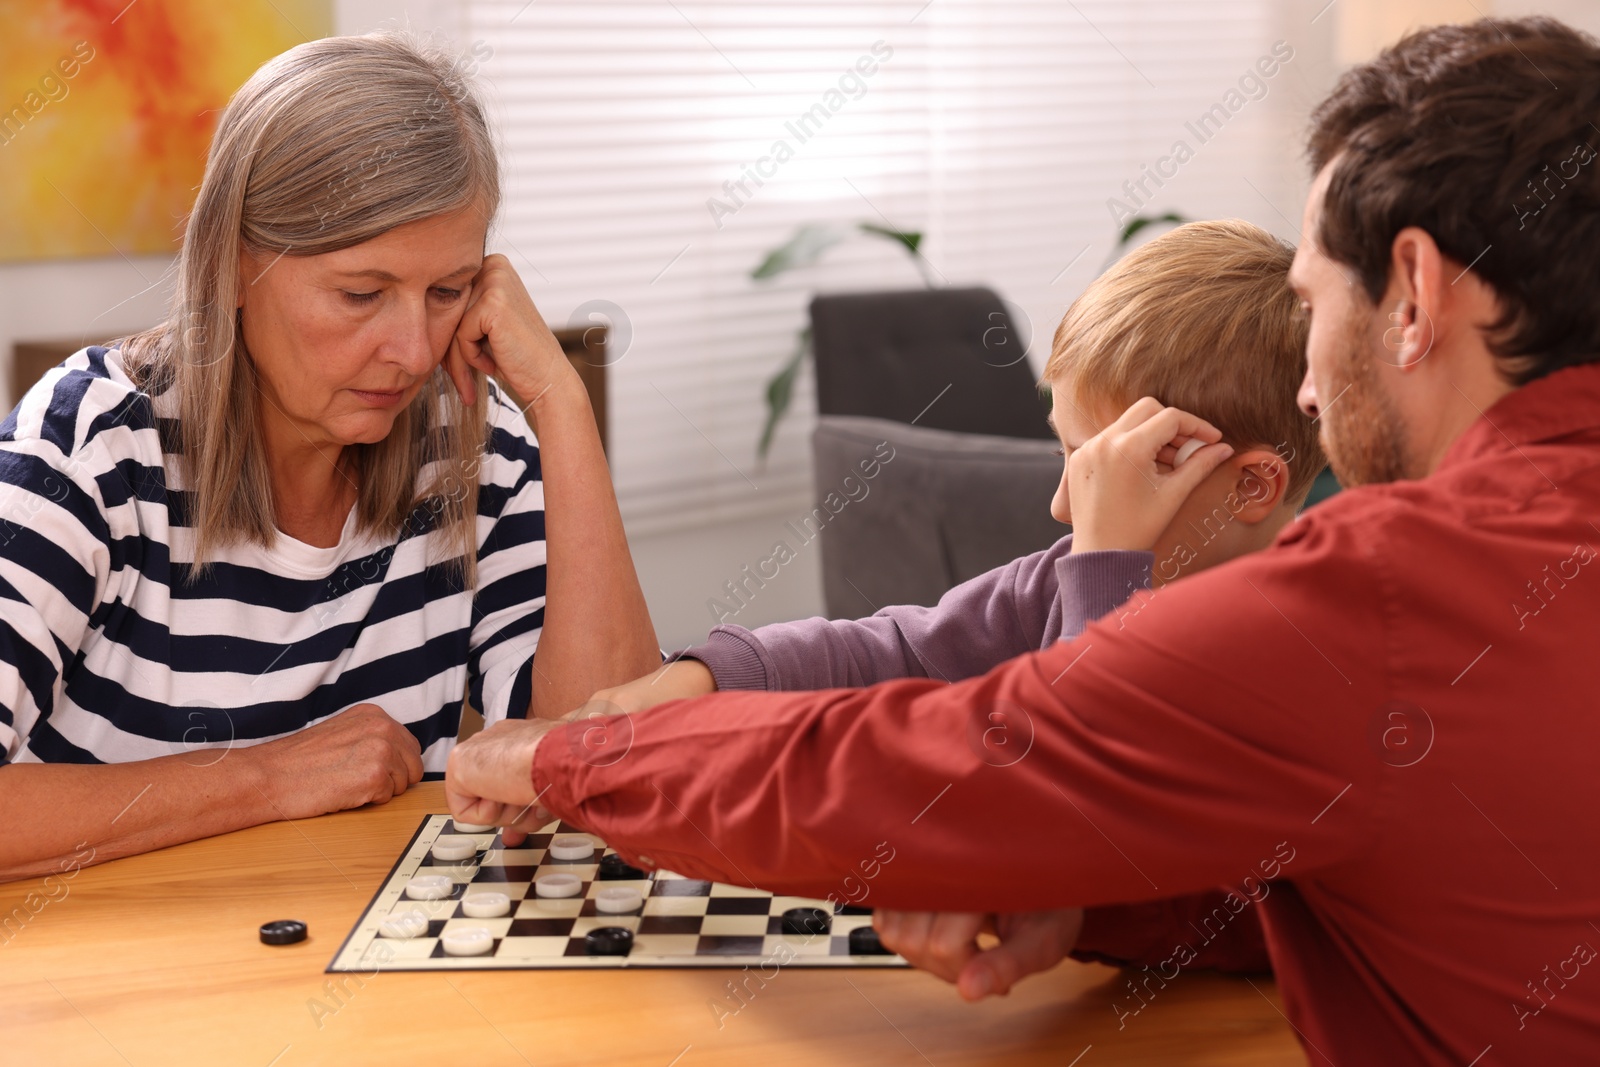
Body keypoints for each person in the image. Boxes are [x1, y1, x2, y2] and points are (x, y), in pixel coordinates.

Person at [449, 16, 1600, 1064]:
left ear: (1411, 293)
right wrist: (1098, 904)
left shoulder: (1386, 599)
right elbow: (1401, 870)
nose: (1309, 384)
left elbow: (930, 766)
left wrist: (568, 758)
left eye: (1317, 299)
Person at [570, 217, 1327, 979]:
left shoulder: (1298, 643)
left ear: (1250, 486)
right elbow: (896, 652)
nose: (1065, 506)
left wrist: (1108, 563)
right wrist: (706, 676)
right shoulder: (1057, 577)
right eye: (1068, 456)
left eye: (1104, 475)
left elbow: (1089, 785)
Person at [0, 32, 659, 882]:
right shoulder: (85, 446)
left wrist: (561, 409)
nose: (413, 350)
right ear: (236, 264)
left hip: (369, 973)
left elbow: (600, 770)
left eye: (448, 291)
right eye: (361, 293)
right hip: (127, 988)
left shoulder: (471, 442)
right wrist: (270, 776)